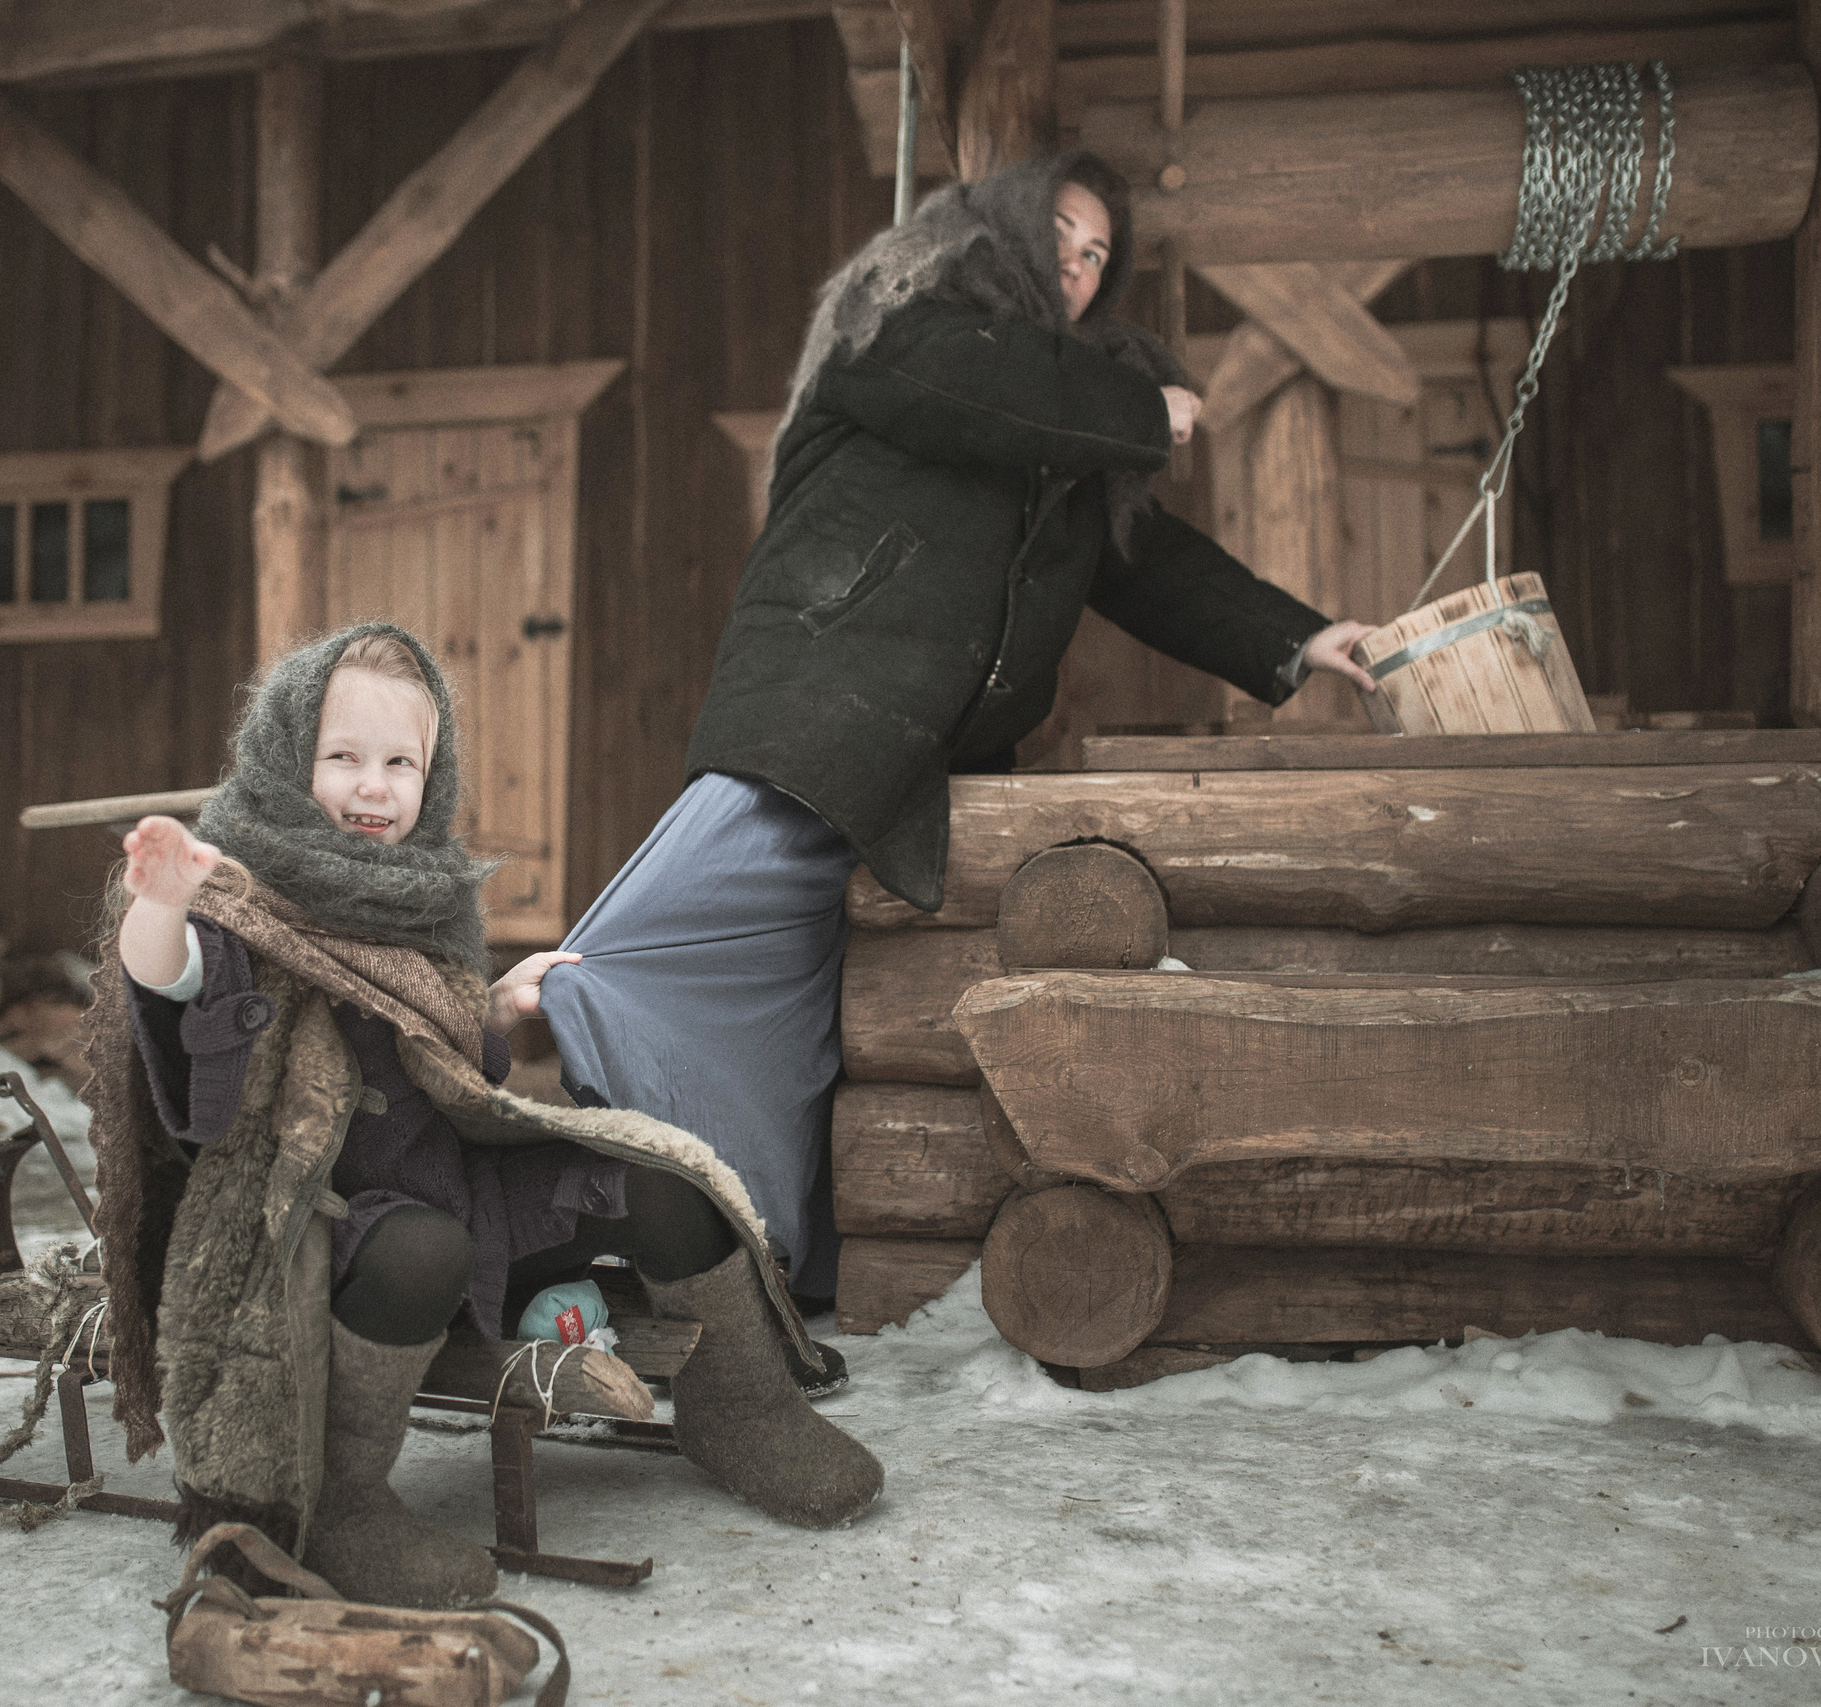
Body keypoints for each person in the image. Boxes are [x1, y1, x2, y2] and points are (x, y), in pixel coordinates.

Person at [541, 151, 1376, 1301]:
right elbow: (992, 388)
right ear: (1006, 230)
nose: (1078, 269)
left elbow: (1146, 563)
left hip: (931, 764)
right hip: (813, 722)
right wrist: (1138, 409)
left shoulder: (1054, 430)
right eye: (1062, 239)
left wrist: (1300, 636)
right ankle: (533, 1172)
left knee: (827, 1036)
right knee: (625, 955)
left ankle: (766, 1264)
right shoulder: (900, 325)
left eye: (1098, 256)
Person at [73, 622, 881, 1613]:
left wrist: (493, 1006)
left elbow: (443, 1057)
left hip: (459, 1182)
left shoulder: (417, 899)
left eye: (399, 763)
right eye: (342, 759)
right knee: (422, 1248)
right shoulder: (239, 897)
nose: (374, 787)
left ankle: (741, 1410)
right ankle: (340, 1501)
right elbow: (180, 987)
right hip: (328, 1225)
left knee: (663, 1179)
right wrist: (157, 906)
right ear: (289, 759)